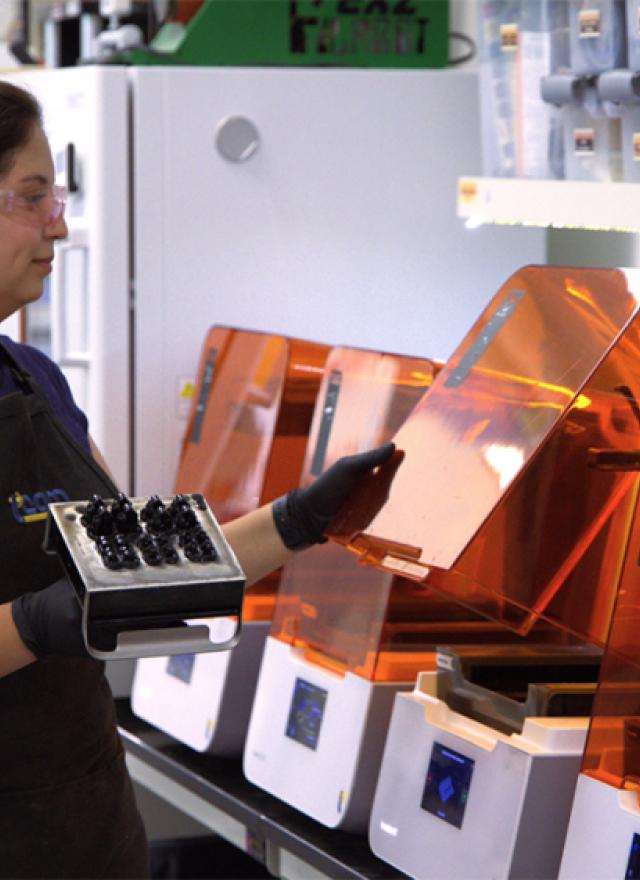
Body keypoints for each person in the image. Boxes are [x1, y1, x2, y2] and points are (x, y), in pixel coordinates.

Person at [0, 80, 395, 879]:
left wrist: (299, 520)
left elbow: (141, 564)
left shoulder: (35, 379)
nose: (60, 226)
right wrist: (43, 621)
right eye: (31, 197)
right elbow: (79, 602)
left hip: (82, 827)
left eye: (58, 197)